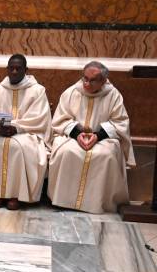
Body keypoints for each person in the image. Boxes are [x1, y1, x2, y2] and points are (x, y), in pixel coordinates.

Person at [47, 61, 135, 213]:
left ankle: (97, 203)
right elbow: (60, 119)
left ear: (103, 80)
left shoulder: (113, 95)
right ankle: (63, 200)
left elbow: (120, 123)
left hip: (103, 138)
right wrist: (77, 134)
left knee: (105, 155)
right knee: (66, 152)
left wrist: (98, 136)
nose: (86, 83)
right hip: (74, 136)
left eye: (92, 80)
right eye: (85, 78)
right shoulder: (72, 92)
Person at [0, 54, 52, 210]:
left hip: (27, 133)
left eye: (18, 68)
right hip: (1, 132)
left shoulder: (37, 91)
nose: (14, 71)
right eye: (11, 68)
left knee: (17, 148)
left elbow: (40, 118)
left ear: (26, 70)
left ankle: (16, 195)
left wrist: (16, 128)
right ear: (7, 69)